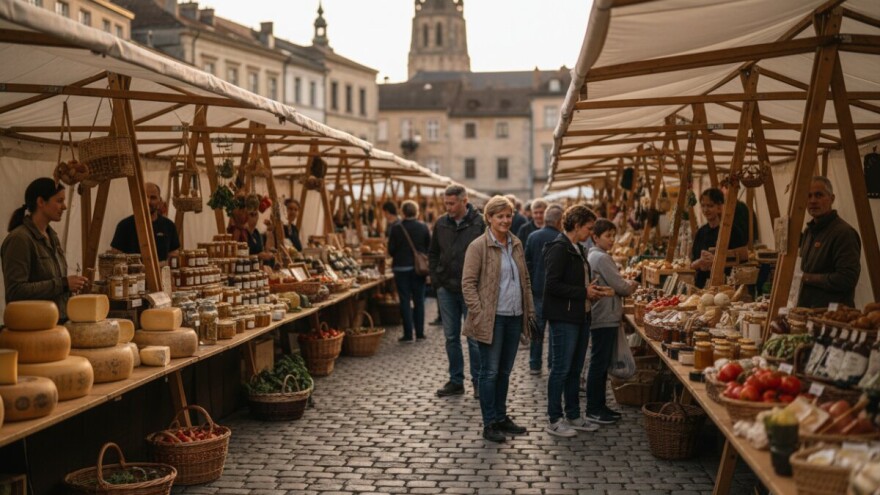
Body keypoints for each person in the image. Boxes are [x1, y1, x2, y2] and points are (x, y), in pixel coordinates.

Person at [461, 196, 534, 443]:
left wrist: (529, 311)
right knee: (489, 372)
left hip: (514, 316)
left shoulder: (516, 243)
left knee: (504, 372)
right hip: (492, 319)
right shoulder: (478, 246)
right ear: (489, 218)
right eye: (500, 216)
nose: (505, 220)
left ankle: (502, 417)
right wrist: (479, 313)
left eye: (508, 215)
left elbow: (525, 280)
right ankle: (490, 422)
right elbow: (468, 284)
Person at [543, 204, 604, 437]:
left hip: (580, 315)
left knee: (575, 369)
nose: (590, 233)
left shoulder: (577, 248)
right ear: (576, 226)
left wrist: (589, 290)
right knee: (561, 369)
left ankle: (574, 415)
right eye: (588, 228)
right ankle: (555, 419)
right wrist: (583, 292)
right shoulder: (559, 248)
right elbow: (552, 285)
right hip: (564, 318)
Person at [2, 178, 88, 322]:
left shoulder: (52, 236)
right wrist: (64, 283)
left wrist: (70, 288)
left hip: (55, 323)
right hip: (32, 329)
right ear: (41, 202)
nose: (65, 206)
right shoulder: (20, 239)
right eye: (59, 201)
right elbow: (15, 291)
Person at [429, 185, 486, 398]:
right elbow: (433, 252)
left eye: (452, 203)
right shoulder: (441, 223)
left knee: (473, 338)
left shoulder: (479, 223)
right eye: (446, 203)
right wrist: (437, 280)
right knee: (451, 337)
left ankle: (478, 382)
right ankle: (456, 381)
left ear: (464, 201)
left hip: (471, 289)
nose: (448, 207)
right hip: (447, 288)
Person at [587, 219, 639, 422]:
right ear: (596, 237)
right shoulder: (601, 258)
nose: (612, 240)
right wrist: (632, 284)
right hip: (604, 316)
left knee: (600, 363)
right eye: (607, 236)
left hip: (602, 314)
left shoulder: (595, 255)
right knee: (599, 364)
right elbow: (621, 287)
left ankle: (600, 406)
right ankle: (594, 408)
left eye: (613, 235)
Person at [798, 177, 861, 308]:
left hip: (833, 317)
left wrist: (806, 277)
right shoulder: (808, 232)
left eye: (819, 195)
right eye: (808, 196)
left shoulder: (844, 233)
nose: (813, 201)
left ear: (832, 199)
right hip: (809, 314)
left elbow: (847, 279)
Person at [524, 204, 564, 374]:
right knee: (555, 331)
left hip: (538, 289)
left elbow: (527, 264)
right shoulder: (561, 238)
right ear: (559, 221)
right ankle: (552, 364)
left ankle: (534, 364)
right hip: (556, 292)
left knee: (537, 330)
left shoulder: (533, 236)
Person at [387, 200, 431, 342]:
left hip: (401, 268)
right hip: (419, 270)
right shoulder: (423, 227)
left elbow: (391, 250)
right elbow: (428, 248)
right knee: (419, 300)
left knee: (405, 301)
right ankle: (419, 333)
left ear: (403, 212)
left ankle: (407, 334)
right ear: (416, 212)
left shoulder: (396, 228)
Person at [690, 188, 747, 288]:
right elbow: (692, 263)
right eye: (703, 206)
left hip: (726, 287)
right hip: (702, 287)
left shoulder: (731, 231)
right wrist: (700, 262)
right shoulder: (701, 232)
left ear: (720, 207)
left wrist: (718, 260)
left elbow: (743, 257)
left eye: (710, 206)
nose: (705, 210)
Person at [110, 182, 180, 262]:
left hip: (162, 273)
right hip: (133, 273)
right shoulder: (124, 226)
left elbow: (174, 256)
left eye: (153, 198)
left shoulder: (169, 226)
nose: (148, 201)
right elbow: (114, 257)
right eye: (144, 197)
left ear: (160, 200)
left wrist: (160, 266)